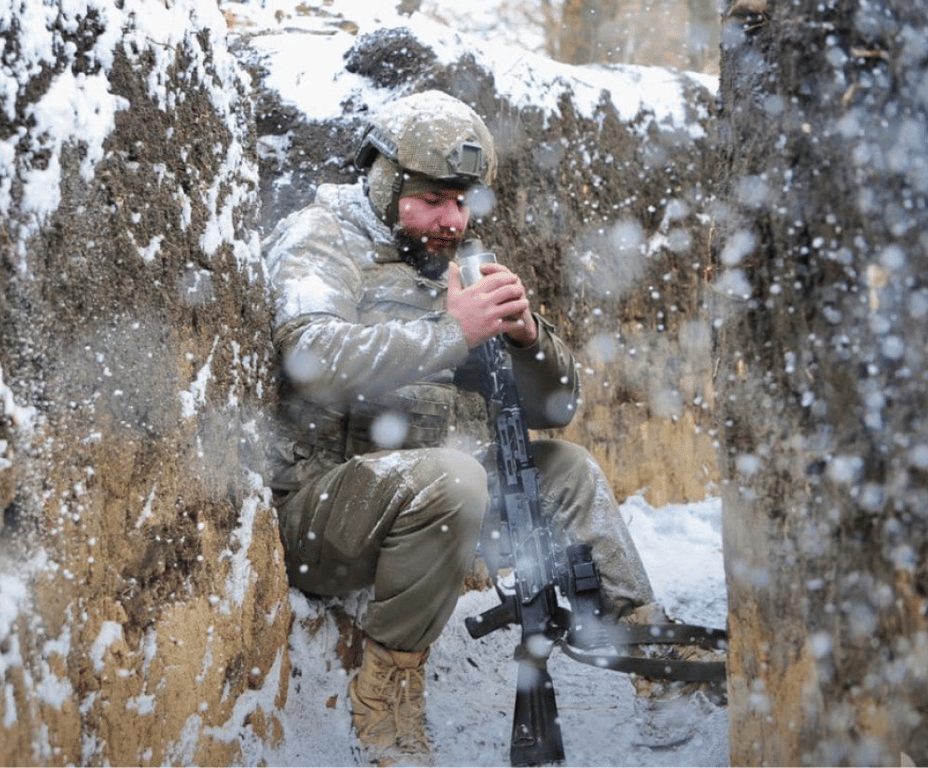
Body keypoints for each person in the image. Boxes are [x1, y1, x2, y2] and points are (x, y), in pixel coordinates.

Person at [263, 90, 673, 765]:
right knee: (451, 477)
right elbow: (314, 359)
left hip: (431, 506)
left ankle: (651, 657)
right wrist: (453, 331)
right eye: (435, 198)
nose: (453, 219)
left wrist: (524, 338)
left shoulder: (453, 259)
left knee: (566, 470)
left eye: (465, 201)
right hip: (320, 517)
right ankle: (384, 704)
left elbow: (555, 409)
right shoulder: (321, 238)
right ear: (385, 179)